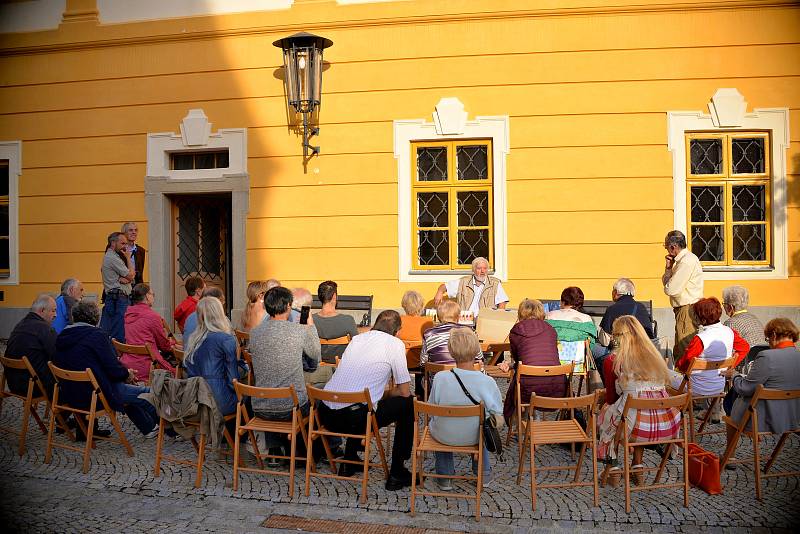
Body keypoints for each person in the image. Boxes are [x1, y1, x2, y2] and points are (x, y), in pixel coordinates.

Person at [319, 310, 416, 491]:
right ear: (398, 331)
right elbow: (404, 391)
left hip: (326, 414)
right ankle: (397, 471)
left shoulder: (357, 339)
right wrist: (387, 393)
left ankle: (349, 461)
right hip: (354, 419)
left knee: (362, 401)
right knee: (408, 403)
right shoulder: (395, 344)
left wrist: (382, 394)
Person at [596, 316, 682, 485]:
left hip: (635, 429)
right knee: (639, 410)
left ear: (618, 337)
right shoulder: (655, 358)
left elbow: (612, 398)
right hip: (667, 427)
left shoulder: (613, 361)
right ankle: (638, 466)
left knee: (608, 411)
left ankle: (613, 468)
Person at [54, 300, 159, 437]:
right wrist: (127, 374)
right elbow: (113, 369)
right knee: (147, 392)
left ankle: (149, 428)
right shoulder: (96, 336)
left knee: (128, 390)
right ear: (95, 317)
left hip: (69, 393)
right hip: (95, 395)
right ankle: (170, 429)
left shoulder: (62, 336)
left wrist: (125, 374)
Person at [429, 327, 503, 490]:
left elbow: (431, 409)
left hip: (444, 435)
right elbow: (497, 414)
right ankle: (483, 473)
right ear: (476, 350)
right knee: (483, 425)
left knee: (440, 422)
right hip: (475, 437)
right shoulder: (487, 381)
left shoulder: (440, 378)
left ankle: (445, 476)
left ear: (451, 351)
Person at [249, 287, 321, 454]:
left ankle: (274, 451)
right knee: (315, 402)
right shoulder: (298, 330)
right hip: (291, 407)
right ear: (289, 306)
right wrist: (310, 325)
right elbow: (315, 353)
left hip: (260, 406)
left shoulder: (255, 333)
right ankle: (301, 452)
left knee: (272, 386)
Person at [724, 318, 800, 457]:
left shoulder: (767, 356)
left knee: (730, 409)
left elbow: (745, 388)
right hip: (792, 418)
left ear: (774, 335)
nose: (769, 343)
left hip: (764, 418)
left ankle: (730, 456)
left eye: (767, 338)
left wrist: (734, 375)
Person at [499, 299, 564, 424]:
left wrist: (511, 365)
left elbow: (519, 359)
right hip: (556, 385)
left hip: (528, 387)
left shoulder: (517, 330)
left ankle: (523, 420)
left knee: (519, 380)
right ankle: (532, 418)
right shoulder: (550, 329)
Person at [671, 297, 749, 397]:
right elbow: (745, 348)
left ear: (702, 319)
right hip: (719, 386)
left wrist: (678, 366)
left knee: (665, 376)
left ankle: (675, 410)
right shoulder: (730, 332)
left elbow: (684, 365)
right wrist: (730, 365)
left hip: (696, 387)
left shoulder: (700, 339)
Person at [183, 297, 241, 416]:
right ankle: (236, 434)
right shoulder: (226, 339)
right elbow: (233, 381)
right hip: (218, 402)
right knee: (247, 400)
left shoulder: (193, 340)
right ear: (219, 314)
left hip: (197, 403)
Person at [593, 278, 654, 370]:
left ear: (616, 292)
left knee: (594, 348)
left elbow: (604, 341)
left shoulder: (612, 309)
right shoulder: (641, 307)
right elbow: (650, 336)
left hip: (620, 351)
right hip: (642, 350)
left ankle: (605, 379)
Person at [4, 294, 58, 398]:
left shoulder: (19, 325)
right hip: (33, 386)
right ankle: (63, 413)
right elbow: (57, 356)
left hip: (13, 383)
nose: (55, 315)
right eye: (53, 310)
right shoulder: (45, 329)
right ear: (42, 311)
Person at [122, 283, 178, 383]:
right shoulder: (152, 316)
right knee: (178, 372)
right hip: (148, 366)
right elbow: (164, 346)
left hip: (127, 364)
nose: (154, 297)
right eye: (153, 294)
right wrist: (173, 343)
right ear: (147, 296)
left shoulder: (127, 314)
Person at [662, 230, 703, 361]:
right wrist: (668, 268)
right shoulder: (681, 261)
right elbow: (667, 283)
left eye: (666, 247)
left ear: (673, 247)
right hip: (683, 309)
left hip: (687, 309)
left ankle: (686, 379)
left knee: (685, 349)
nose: (666, 250)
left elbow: (670, 289)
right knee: (680, 347)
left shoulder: (686, 261)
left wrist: (668, 284)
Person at [432, 257, 508, 316]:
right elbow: (443, 287)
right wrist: (439, 292)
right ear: (473, 270)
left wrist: (498, 319)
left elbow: (502, 303)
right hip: (465, 320)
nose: (482, 271)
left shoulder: (495, 283)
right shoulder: (463, 282)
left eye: (485, 268)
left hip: (484, 321)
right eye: (479, 268)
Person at [420, 300, 483, 366]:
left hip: (439, 375)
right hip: (465, 374)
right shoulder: (470, 332)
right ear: (458, 317)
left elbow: (423, 361)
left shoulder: (429, 334)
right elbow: (479, 357)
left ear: (438, 318)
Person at [99, 231, 135, 343]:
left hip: (116, 297)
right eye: (123, 243)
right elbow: (131, 275)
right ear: (113, 243)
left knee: (112, 330)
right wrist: (129, 258)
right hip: (119, 299)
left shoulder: (114, 256)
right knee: (119, 333)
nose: (125, 247)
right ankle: (117, 357)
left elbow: (129, 277)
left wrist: (126, 278)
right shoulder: (112, 258)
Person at [313, 280, 359, 364]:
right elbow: (356, 346)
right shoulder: (348, 320)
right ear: (334, 296)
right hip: (341, 368)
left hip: (318, 366)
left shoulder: (310, 320)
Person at [722, 285, 765, 351]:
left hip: (745, 359)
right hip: (758, 358)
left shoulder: (731, 323)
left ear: (731, 307)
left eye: (724, 303)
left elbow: (726, 350)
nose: (723, 306)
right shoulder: (755, 319)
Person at [122, 222, 146, 286]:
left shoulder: (141, 250)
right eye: (130, 230)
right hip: (121, 287)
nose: (134, 232)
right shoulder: (118, 249)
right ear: (124, 233)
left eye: (136, 230)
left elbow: (140, 273)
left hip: (135, 287)